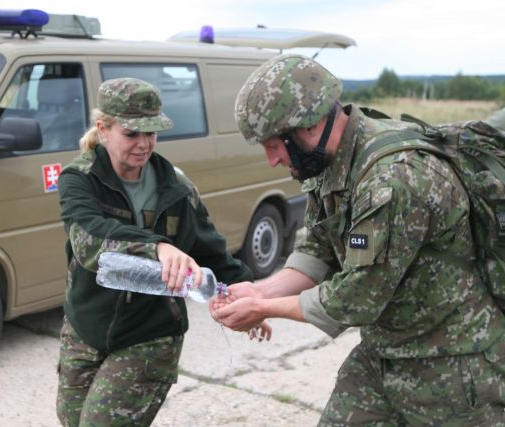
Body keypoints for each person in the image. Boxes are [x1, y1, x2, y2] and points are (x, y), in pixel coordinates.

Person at [210, 54, 505, 425]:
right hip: (384, 355)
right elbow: (318, 246)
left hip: (455, 364)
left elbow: (354, 298)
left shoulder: (393, 179)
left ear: (309, 126)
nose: (272, 160)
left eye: (273, 146)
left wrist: (263, 308)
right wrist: (260, 291)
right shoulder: (329, 160)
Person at [55, 77, 256, 426]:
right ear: (103, 130)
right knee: (71, 419)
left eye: (151, 133)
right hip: (85, 326)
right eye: (132, 133)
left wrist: (250, 298)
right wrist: (157, 247)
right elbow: (89, 242)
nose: (144, 144)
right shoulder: (79, 179)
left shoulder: (176, 186)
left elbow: (209, 251)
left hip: (151, 333)